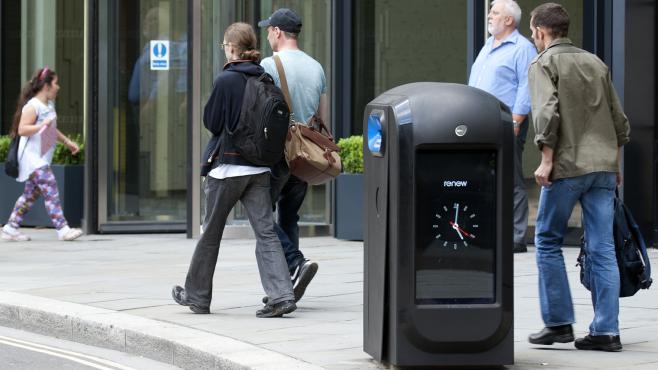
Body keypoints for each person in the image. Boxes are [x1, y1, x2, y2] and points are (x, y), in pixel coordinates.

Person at [171, 22, 296, 318]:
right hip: (260, 170)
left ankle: (197, 297)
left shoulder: (226, 80)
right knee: (266, 232)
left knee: (211, 233)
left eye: (225, 46)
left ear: (230, 47)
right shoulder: (267, 79)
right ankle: (282, 295)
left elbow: (212, 123)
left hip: (227, 167)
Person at [526, 3, 631, 352]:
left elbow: (546, 113)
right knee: (603, 249)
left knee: (547, 240)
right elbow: (619, 121)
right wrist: (615, 166)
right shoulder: (595, 62)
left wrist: (545, 159)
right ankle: (606, 331)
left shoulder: (543, 64)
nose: (532, 37)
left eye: (532, 31)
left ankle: (557, 323)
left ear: (541, 31)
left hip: (567, 166)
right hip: (603, 166)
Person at [257, 8, 326, 302]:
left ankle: (296, 263)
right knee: (289, 216)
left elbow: (261, 113)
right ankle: (290, 285)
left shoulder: (268, 65)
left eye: (268, 30)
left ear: (277, 32)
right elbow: (322, 118)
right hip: (305, 155)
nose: (267, 35)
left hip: (279, 152)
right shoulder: (317, 67)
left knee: (260, 214)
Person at [468, 0, 536, 253]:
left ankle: (516, 236)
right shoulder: (489, 45)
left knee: (510, 178)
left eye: (495, 13)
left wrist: (516, 120)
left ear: (509, 20)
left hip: (506, 123)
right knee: (484, 177)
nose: (489, 16)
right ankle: (488, 231)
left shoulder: (522, 48)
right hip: (479, 121)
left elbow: (526, 86)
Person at [1, 67, 83, 242]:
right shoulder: (32, 106)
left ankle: (10, 228)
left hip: (42, 157)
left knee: (30, 195)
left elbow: (51, 130)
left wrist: (67, 143)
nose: (58, 87)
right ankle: (63, 229)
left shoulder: (48, 105)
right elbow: (22, 129)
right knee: (51, 189)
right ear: (46, 85)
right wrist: (41, 125)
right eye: (55, 83)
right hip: (32, 159)